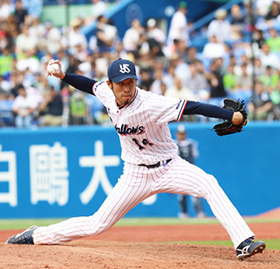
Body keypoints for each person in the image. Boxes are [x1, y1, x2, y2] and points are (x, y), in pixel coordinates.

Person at [6, 58, 266, 260]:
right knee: (97, 223)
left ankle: (243, 241)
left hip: (169, 167)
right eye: (121, 83)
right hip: (135, 175)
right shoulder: (106, 93)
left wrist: (227, 115)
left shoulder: (151, 103)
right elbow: (87, 85)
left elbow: (193, 106)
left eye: (131, 81)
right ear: (111, 85)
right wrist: (63, 76)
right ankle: (37, 235)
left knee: (208, 183)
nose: (127, 88)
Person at [176, 125, 205, 218]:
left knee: (195, 193)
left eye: (183, 133)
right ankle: (184, 213)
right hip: (180, 172)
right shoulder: (174, 145)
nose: (181, 135)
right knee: (182, 195)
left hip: (191, 171)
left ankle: (199, 212)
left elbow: (194, 156)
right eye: (180, 133)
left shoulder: (191, 144)